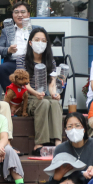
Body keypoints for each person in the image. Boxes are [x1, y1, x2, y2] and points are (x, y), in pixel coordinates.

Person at [16, 27, 62, 155]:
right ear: (30, 42)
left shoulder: (50, 61)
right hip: (29, 97)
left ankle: (58, 143)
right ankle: (39, 144)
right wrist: (35, 93)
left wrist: (54, 93)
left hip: (44, 95)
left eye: (43, 40)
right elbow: (24, 83)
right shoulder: (22, 59)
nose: (40, 43)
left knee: (54, 103)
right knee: (45, 103)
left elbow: (52, 82)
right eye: (37, 40)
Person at [0, 1, 40, 90]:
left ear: (28, 14)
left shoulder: (37, 29)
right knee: (1, 69)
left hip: (31, 61)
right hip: (13, 62)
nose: (19, 15)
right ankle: (14, 96)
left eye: (23, 12)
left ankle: (33, 94)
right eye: (16, 12)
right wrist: (8, 50)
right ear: (13, 15)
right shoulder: (6, 31)